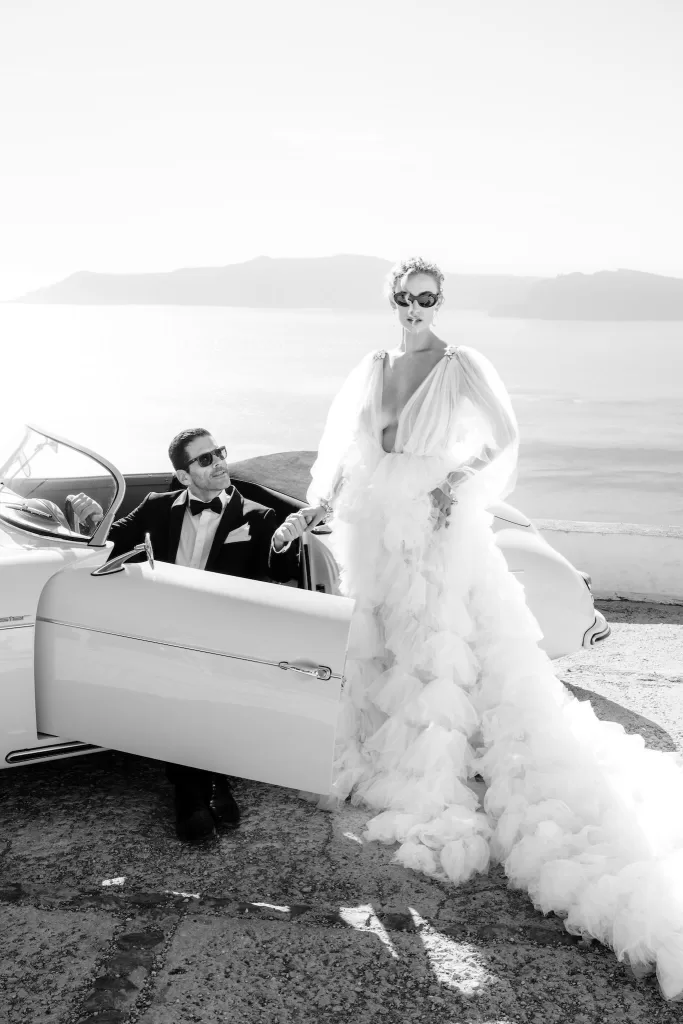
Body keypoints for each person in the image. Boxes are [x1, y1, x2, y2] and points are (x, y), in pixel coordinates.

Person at [303, 256, 683, 1001]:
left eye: (426, 298)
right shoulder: (375, 364)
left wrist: (452, 478)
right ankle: (389, 748)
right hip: (379, 524)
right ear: (390, 299)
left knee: (439, 645)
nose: (414, 307)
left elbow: (503, 435)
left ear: (439, 301)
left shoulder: (459, 363)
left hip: (438, 524)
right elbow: (352, 448)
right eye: (405, 297)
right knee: (383, 637)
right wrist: (325, 501)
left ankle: (440, 763)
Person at [70, 427, 314, 842]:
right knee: (176, 675)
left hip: (225, 634)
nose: (219, 462)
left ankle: (190, 794)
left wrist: (284, 540)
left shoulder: (257, 517)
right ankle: (209, 784)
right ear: (184, 476)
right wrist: (94, 517)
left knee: (196, 680)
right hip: (164, 626)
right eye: (205, 459)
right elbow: (111, 543)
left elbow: (279, 570)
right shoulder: (155, 506)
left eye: (219, 452)